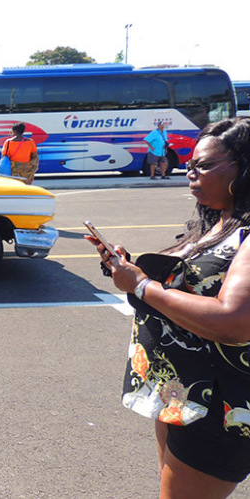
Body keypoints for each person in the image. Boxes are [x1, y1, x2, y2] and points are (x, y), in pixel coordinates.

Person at [86, 117, 250, 497]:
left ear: (243, 167)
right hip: (182, 393)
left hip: (220, 406)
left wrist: (141, 285)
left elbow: (235, 320)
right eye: (190, 166)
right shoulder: (217, 221)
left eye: (204, 166)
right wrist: (128, 269)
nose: (191, 174)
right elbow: (187, 287)